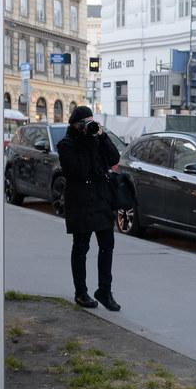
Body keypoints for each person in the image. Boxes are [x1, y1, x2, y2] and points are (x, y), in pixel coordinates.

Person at [56, 106, 122, 311]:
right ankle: (81, 293)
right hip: (80, 202)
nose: (89, 126)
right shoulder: (66, 145)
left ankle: (105, 291)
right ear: (76, 125)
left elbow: (114, 158)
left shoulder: (97, 139)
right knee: (81, 248)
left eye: (92, 121)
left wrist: (102, 136)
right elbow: (79, 171)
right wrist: (86, 140)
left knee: (107, 245)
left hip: (101, 200)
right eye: (85, 122)